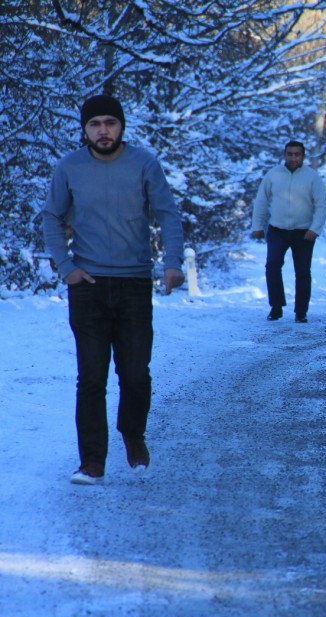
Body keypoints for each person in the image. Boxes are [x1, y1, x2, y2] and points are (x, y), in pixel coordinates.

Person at [41, 94, 185, 485]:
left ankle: (133, 434)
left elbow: (168, 214)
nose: (103, 131)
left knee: (136, 373)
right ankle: (92, 461)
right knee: (91, 377)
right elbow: (51, 217)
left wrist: (173, 262)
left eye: (110, 122)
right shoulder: (69, 167)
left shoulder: (144, 164)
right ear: (84, 129)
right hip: (87, 286)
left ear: (121, 126)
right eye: (95, 124)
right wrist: (67, 267)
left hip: (134, 283)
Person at [251, 141, 326, 323]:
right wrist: (257, 226)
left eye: (297, 154)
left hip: (304, 232)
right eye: (290, 154)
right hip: (277, 230)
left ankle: (301, 312)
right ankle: (276, 307)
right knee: (272, 266)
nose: (293, 158)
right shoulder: (273, 174)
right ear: (284, 155)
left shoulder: (312, 177)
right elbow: (261, 201)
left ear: (303, 156)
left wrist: (315, 229)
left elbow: (321, 205)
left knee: (302, 272)